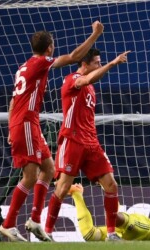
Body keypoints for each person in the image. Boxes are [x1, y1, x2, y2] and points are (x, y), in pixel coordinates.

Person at [0, 22, 104, 242]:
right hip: (26, 122)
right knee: (29, 176)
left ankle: (35, 220)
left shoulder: (24, 66)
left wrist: (11, 126)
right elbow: (74, 57)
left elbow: (13, 99)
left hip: (28, 122)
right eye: (53, 45)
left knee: (48, 168)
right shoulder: (40, 62)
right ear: (49, 48)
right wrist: (95, 34)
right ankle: (8, 224)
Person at [44, 48, 130, 241]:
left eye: (101, 63)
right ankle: (47, 232)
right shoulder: (72, 79)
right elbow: (87, 79)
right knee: (63, 187)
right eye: (97, 63)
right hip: (72, 140)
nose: (99, 65)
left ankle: (111, 233)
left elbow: (90, 81)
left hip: (92, 143)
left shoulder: (91, 88)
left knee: (111, 185)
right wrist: (112, 63)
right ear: (85, 64)